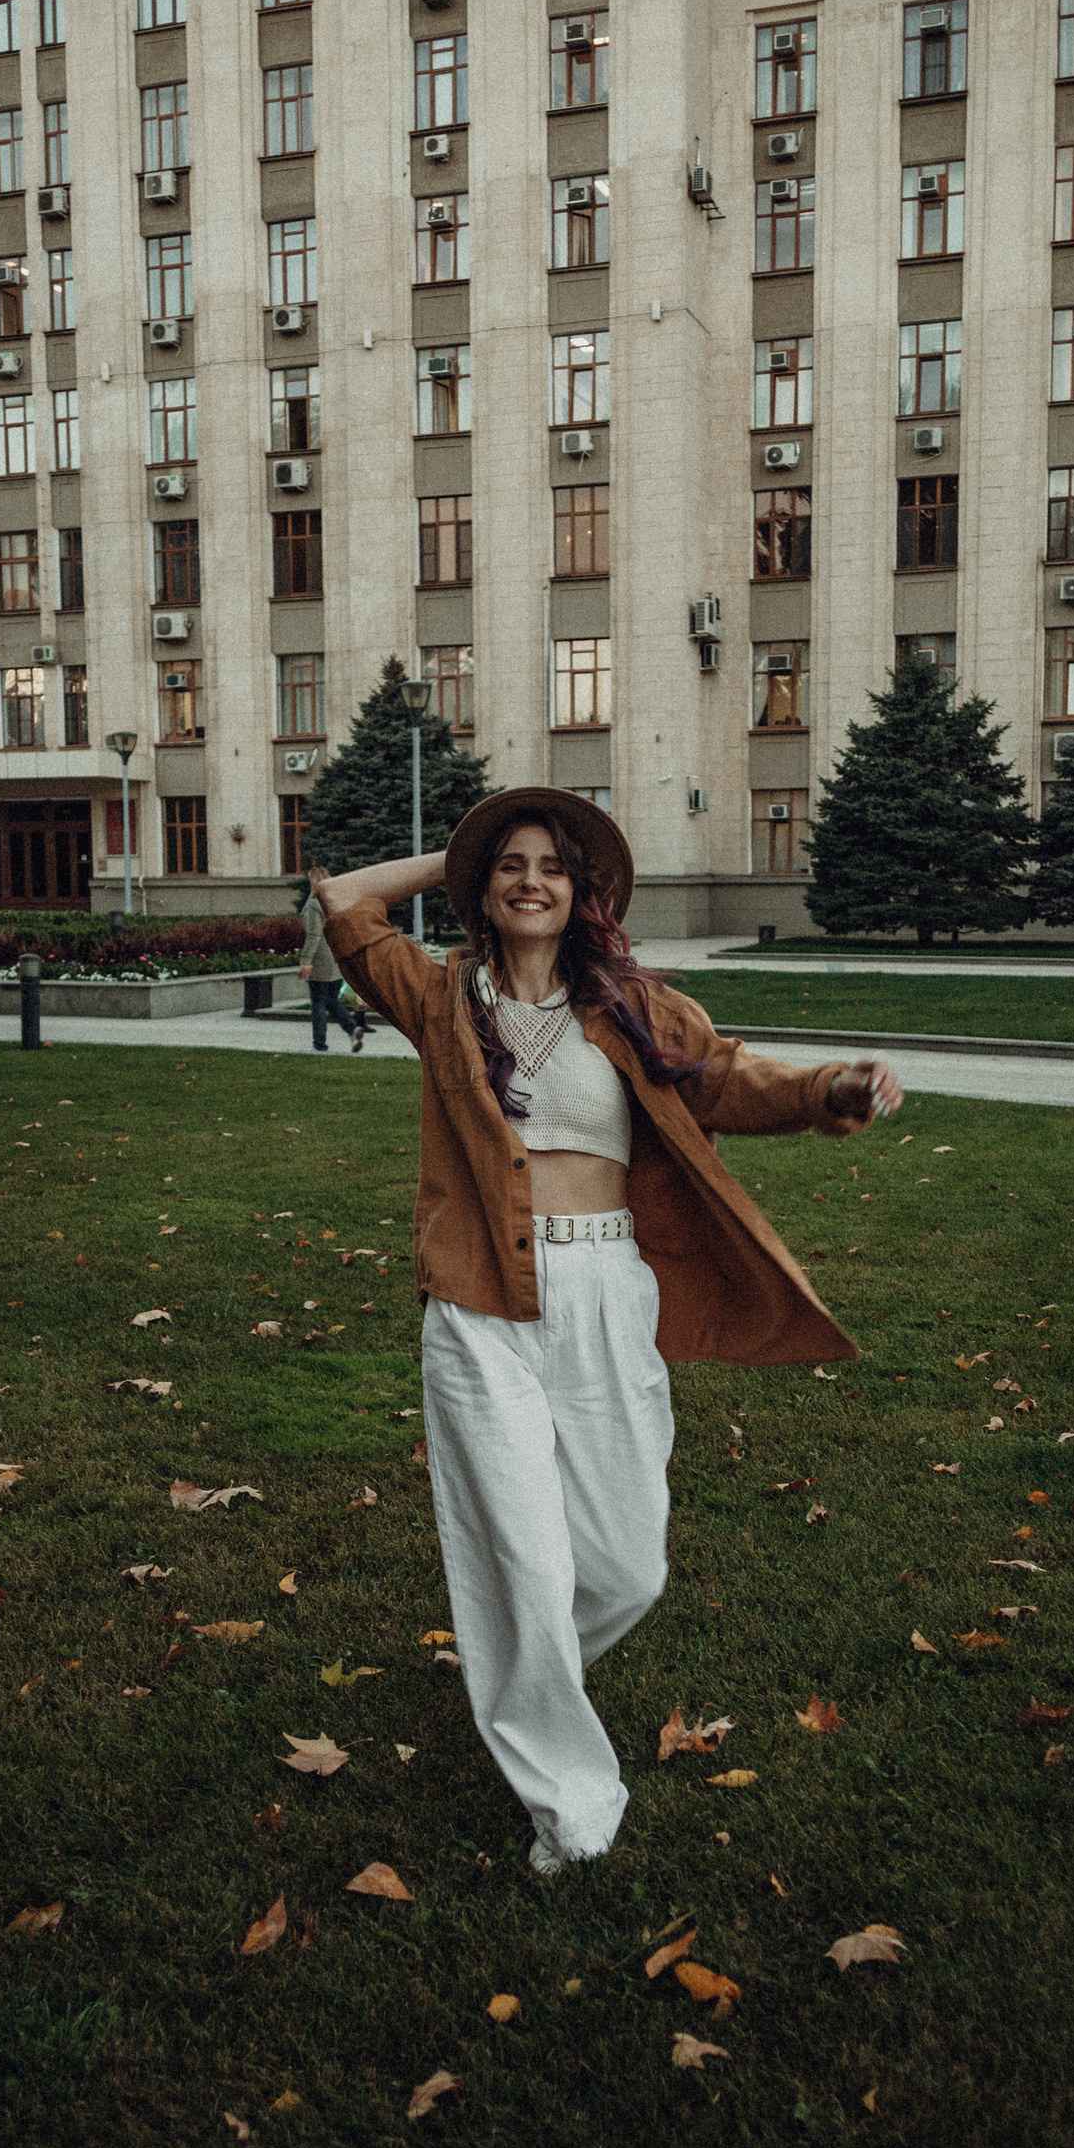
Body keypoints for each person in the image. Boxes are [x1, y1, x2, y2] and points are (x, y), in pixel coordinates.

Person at [315, 789, 901, 1878]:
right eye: (511, 866)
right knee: (526, 1560)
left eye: (552, 866)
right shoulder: (442, 997)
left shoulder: (636, 1009)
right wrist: (463, 847)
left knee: (628, 1568)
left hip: (605, 1295)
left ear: (581, 890)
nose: (532, 882)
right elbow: (346, 902)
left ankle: (519, 1676)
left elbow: (732, 1079)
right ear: (484, 889)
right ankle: (572, 1808)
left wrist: (832, 1085)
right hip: (483, 1304)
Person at [295, 879, 366, 1053]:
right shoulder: (337, 904)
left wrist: (306, 960)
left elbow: (314, 935)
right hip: (336, 955)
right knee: (331, 999)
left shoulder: (314, 905)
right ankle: (352, 1028)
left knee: (318, 1001)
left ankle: (320, 1043)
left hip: (320, 957)